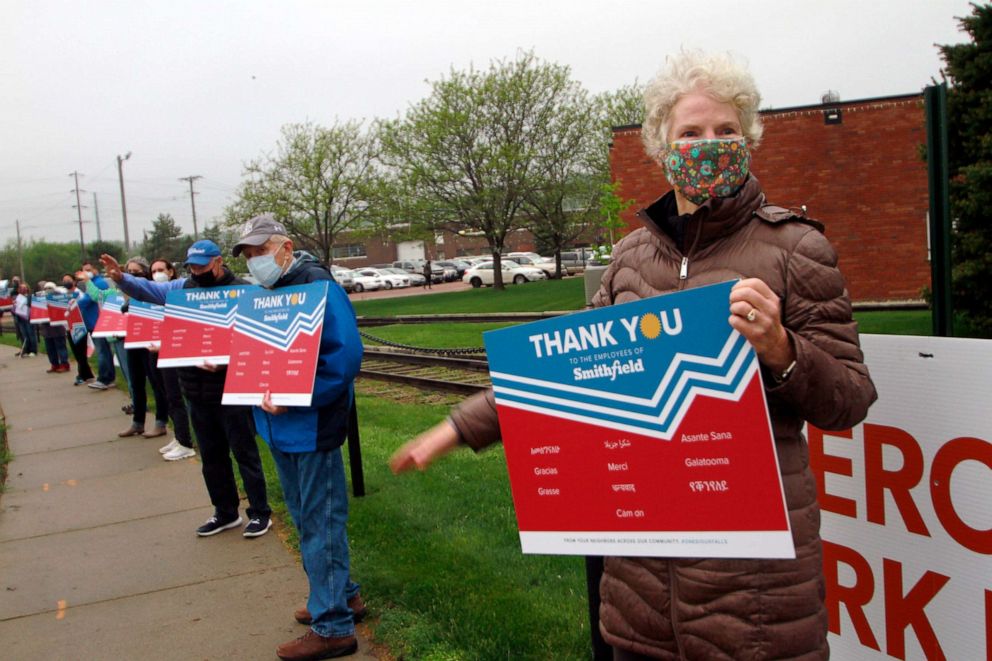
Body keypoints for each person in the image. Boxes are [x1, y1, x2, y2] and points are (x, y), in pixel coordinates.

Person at [390, 50, 877, 660]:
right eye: (691, 132)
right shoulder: (629, 261)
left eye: (726, 130)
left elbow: (849, 400)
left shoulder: (795, 249)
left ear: (749, 137)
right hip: (639, 587)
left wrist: (781, 348)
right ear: (661, 147)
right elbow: (566, 373)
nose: (710, 144)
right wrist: (456, 430)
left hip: (754, 596)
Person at [232, 213, 365, 661]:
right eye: (248, 255)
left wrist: (296, 396)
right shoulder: (264, 292)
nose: (254, 261)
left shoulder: (318, 286)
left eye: (260, 251)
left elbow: (344, 359)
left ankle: (333, 627)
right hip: (278, 427)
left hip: (309, 425)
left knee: (321, 521)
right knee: (308, 518)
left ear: (285, 247)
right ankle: (342, 595)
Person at [101, 241, 272, 535]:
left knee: (245, 453)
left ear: (218, 262)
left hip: (232, 388)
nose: (196, 271)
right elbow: (148, 292)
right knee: (211, 456)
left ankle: (260, 512)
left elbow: (257, 340)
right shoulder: (180, 290)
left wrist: (227, 361)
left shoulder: (244, 291)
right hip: (196, 390)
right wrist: (121, 278)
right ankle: (225, 511)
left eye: (202, 265)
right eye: (192, 266)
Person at [115, 257, 171, 439]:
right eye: (128, 271)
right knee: (136, 382)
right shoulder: (129, 293)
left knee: (156, 383)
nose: (132, 274)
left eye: (136, 271)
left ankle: (161, 422)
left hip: (151, 342)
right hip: (134, 339)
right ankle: (137, 422)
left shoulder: (151, 290)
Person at [61, 273, 96, 385]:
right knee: (76, 351)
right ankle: (87, 374)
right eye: (64, 280)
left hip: (80, 326)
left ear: (74, 281)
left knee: (80, 351)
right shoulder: (63, 296)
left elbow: (82, 308)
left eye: (68, 280)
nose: (66, 282)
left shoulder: (80, 294)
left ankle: (82, 375)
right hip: (69, 326)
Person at [38, 281, 70, 373]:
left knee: (60, 346)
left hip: (58, 327)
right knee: (50, 348)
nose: (48, 290)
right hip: (47, 328)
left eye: (50, 288)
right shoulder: (41, 298)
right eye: (46, 288)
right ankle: (54, 364)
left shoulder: (59, 297)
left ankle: (64, 364)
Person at [13, 283, 37, 357]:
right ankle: (26, 349)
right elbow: (14, 309)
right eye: (21, 288)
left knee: (31, 334)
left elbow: (32, 305)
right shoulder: (17, 297)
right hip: (20, 318)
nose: (23, 289)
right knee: (24, 334)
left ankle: (33, 350)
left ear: (27, 288)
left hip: (28, 318)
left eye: (24, 287)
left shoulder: (30, 296)